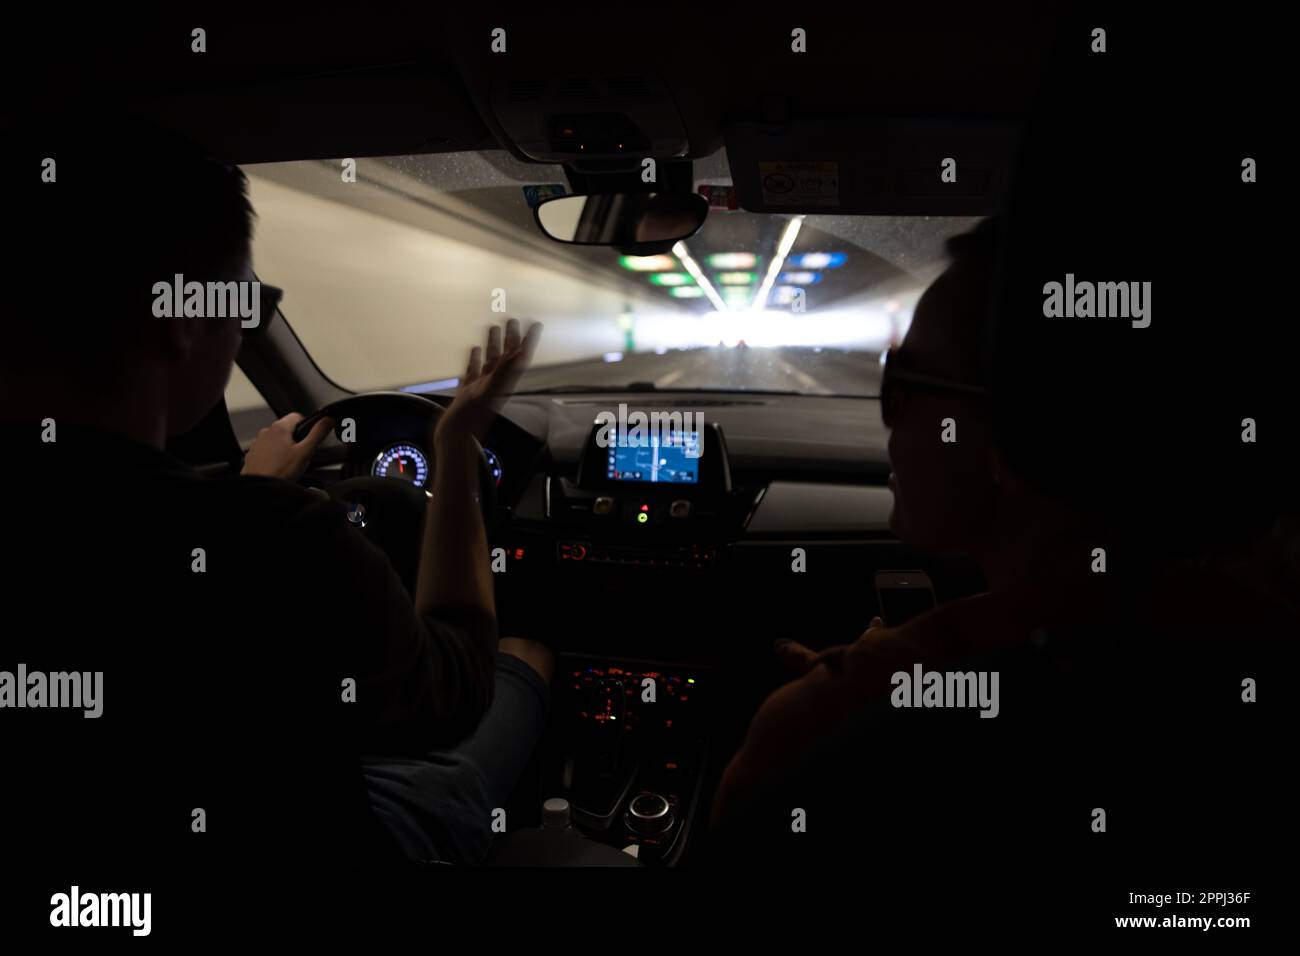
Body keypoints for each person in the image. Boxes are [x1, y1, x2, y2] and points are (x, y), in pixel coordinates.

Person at [0, 115, 552, 915]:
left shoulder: (255, 523)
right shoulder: (278, 540)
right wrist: (458, 442)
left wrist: (257, 492)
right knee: (522, 656)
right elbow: (456, 686)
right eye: (246, 302)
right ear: (185, 319)